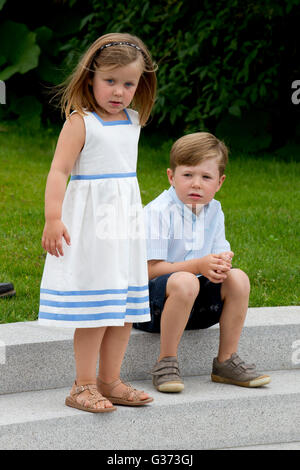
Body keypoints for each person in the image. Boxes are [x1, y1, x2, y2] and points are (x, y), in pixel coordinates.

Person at [38, 33, 157, 412]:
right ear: (90, 77)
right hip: (91, 228)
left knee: (123, 309)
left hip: (123, 229)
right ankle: (82, 385)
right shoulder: (81, 122)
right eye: (110, 81)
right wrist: (53, 218)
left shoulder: (133, 120)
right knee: (96, 309)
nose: (119, 91)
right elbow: (59, 172)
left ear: (140, 85)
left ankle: (110, 380)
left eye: (128, 83)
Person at [134, 132, 271, 392]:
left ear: (219, 182)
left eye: (206, 177)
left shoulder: (214, 210)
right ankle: (166, 362)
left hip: (193, 307)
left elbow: (219, 255)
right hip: (150, 309)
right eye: (188, 175)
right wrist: (198, 266)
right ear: (171, 177)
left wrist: (220, 264)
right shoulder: (158, 212)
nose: (196, 184)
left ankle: (226, 361)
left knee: (238, 278)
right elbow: (149, 271)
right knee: (186, 281)